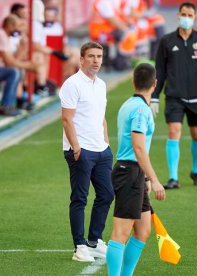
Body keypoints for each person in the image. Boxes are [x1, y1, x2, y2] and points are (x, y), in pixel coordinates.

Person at [150, 2, 197, 189]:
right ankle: (173, 177)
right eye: (183, 14)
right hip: (174, 97)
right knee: (174, 131)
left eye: (189, 15)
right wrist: (154, 96)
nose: (186, 18)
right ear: (178, 15)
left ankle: (196, 171)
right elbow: (159, 70)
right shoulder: (167, 41)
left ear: (195, 18)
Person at [106, 63, 166, 276]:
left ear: (133, 82)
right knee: (121, 233)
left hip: (134, 173)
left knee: (143, 230)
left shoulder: (129, 104)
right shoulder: (141, 110)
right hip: (129, 173)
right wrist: (155, 179)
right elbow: (138, 147)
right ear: (155, 84)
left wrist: (146, 178)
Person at [60, 41, 114, 262]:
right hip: (80, 150)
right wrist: (76, 147)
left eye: (99, 57)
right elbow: (66, 118)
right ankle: (79, 246)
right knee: (80, 198)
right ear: (81, 59)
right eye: (91, 56)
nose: (96, 61)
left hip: (101, 150)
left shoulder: (101, 84)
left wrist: (107, 143)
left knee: (107, 194)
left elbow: (101, 116)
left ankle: (94, 241)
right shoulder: (72, 84)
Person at [0, 14, 40, 115]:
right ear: (10, 25)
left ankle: (10, 105)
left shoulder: (4, 35)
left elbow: (12, 60)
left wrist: (22, 48)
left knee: (17, 71)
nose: (20, 30)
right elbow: (10, 62)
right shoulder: (0, 35)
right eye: (18, 26)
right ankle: (5, 106)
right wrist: (29, 66)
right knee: (14, 72)